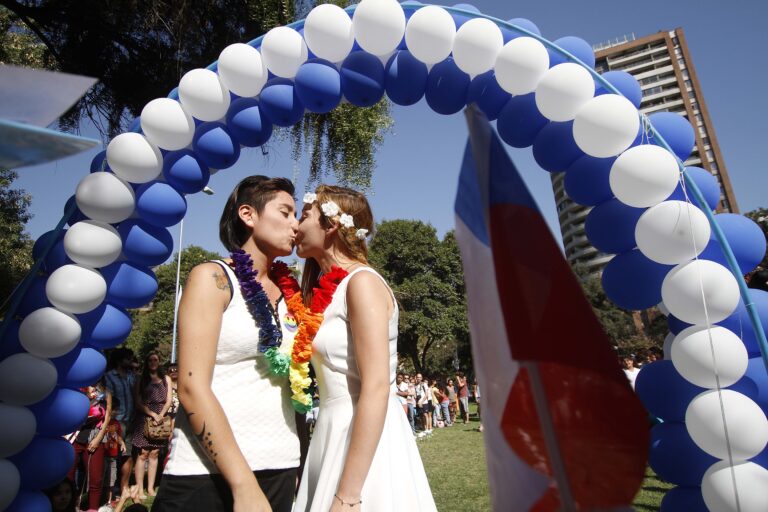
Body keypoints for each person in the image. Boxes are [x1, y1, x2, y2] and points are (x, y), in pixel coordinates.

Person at [152, 176, 301, 512]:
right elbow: (190, 387)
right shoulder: (212, 278)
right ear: (248, 215)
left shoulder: (291, 293)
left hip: (279, 465)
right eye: (286, 212)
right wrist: (243, 485)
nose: (296, 224)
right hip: (206, 473)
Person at [293, 184, 436, 511]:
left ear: (331, 225)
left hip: (363, 436)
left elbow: (375, 386)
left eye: (303, 216)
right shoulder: (325, 290)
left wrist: (348, 494)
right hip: (330, 430)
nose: (295, 225)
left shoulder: (362, 283)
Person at [130, 351, 173, 500]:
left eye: (155, 360)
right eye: (150, 360)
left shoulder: (166, 379)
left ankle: (150, 487)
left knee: (155, 453)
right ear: (147, 362)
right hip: (144, 417)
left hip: (160, 418)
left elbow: (169, 400)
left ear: (159, 361)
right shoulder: (141, 379)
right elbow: (137, 401)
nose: (153, 363)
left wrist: (160, 415)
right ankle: (140, 488)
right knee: (143, 454)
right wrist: (152, 414)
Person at [68, 381, 112, 511]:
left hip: (95, 436)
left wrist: (98, 439)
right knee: (68, 475)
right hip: (75, 436)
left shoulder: (105, 393)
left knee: (95, 478)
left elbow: (108, 416)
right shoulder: (77, 390)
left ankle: (93, 508)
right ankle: (69, 506)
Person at [104, 348, 136, 500]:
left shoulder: (131, 376)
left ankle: (124, 487)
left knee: (128, 455)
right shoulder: (109, 376)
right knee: (113, 457)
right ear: (119, 360)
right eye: (127, 358)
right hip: (116, 421)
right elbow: (108, 401)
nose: (130, 361)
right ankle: (111, 491)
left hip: (130, 420)